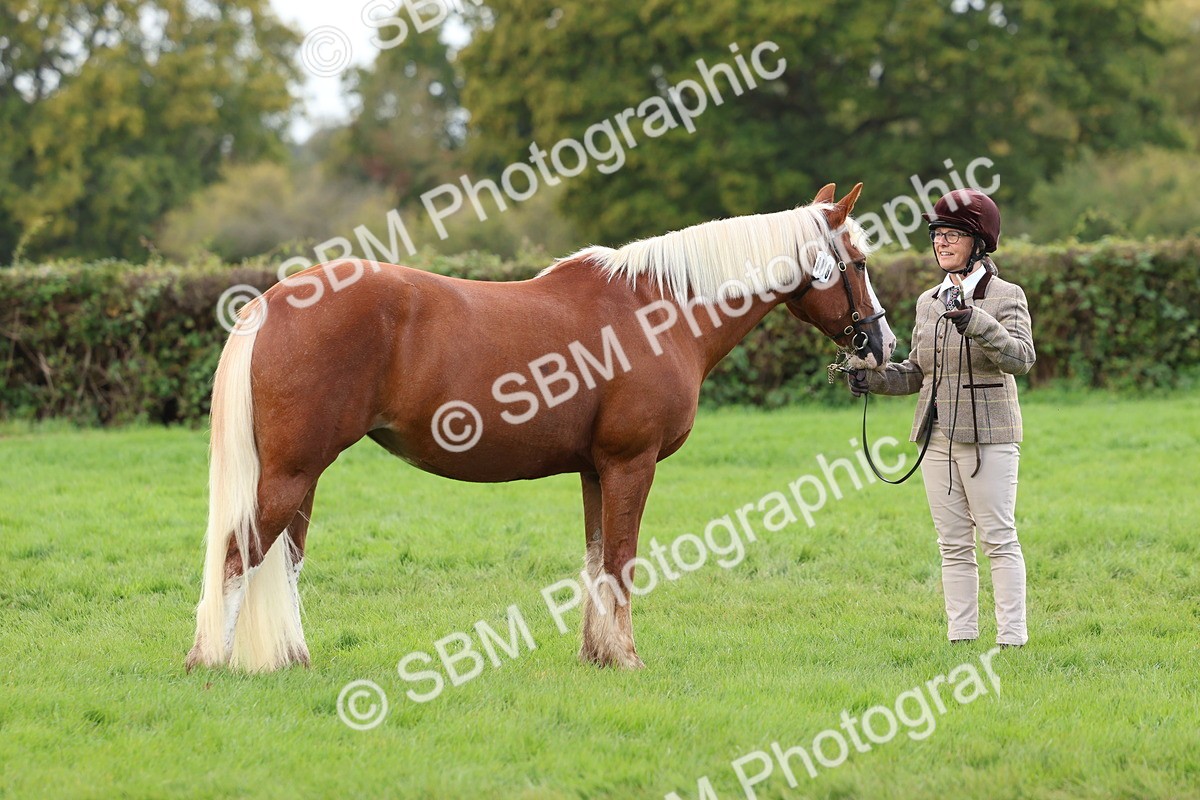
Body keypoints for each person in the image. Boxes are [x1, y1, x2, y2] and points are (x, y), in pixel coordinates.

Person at [848, 189, 1035, 647]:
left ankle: (1012, 639)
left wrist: (977, 322)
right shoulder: (929, 301)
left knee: (997, 538)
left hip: (989, 435)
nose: (942, 243)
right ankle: (962, 638)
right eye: (938, 235)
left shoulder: (1006, 296)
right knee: (952, 544)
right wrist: (872, 378)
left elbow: (1022, 359)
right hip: (936, 437)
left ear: (979, 242)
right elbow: (917, 372)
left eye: (953, 235)